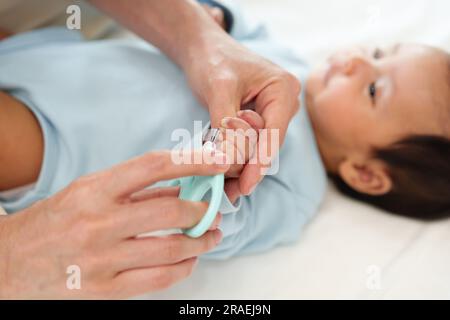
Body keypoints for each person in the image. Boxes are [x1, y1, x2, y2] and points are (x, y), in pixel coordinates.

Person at [0, 0, 301, 298]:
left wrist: (223, 179)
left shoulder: (301, 190)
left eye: (352, 95)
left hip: (60, 144)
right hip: (64, 62)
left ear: (351, 170)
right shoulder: (288, 63)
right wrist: (213, 27)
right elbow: (232, 22)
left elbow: (232, 226)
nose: (350, 63)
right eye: (351, 53)